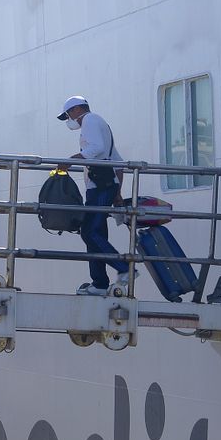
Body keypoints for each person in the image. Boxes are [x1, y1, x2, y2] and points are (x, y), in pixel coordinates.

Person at [58, 95, 131, 297]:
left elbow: (96, 149)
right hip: (105, 185)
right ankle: (99, 284)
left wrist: (71, 160)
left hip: (99, 186)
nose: (68, 121)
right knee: (97, 233)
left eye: (67, 115)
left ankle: (124, 267)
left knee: (89, 232)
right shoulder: (101, 123)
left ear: (76, 110)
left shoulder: (89, 120)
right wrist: (117, 191)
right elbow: (117, 161)